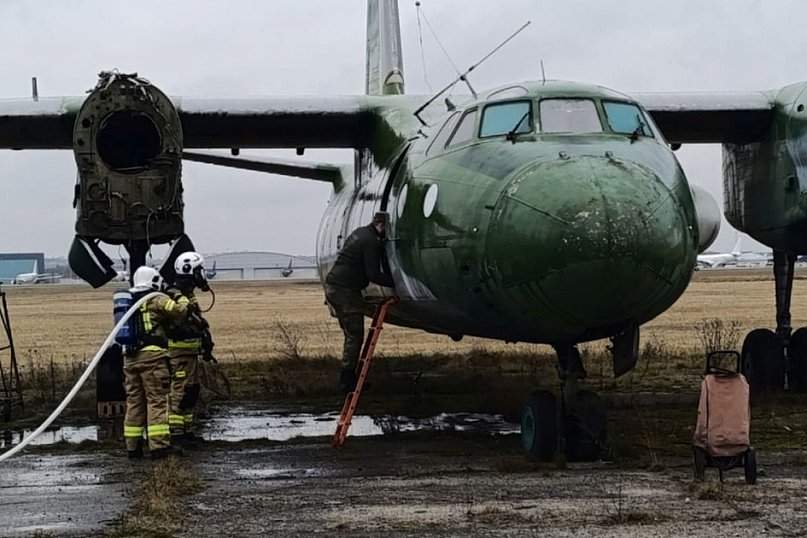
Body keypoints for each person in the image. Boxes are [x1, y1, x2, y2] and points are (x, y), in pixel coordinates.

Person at [123, 266, 195, 460]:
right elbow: (181, 312)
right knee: (157, 400)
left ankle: (133, 447)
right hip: (153, 359)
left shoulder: (128, 300)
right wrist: (179, 295)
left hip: (130, 359)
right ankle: (159, 447)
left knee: (134, 402)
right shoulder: (156, 299)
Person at [325, 211, 395, 391]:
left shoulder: (362, 233)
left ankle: (349, 376)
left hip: (337, 287)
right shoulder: (370, 241)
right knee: (355, 334)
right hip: (344, 291)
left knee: (351, 334)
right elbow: (373, 274)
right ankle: (347, 380)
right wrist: (396, 282)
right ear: (382, 225)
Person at [164, 251, 210, 448]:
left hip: (191, 352)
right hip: (179, 353)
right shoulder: (175, 295)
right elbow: (176, 323)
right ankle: (175, 434)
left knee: (191, 392)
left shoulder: (188, 295)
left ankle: (188, 431)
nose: (203, 275)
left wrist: (205, 339)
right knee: (179, 392)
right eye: (200, 270)